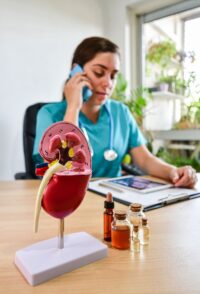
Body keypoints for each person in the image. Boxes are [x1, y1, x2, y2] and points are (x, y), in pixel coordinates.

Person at [33, 36, 197, 187]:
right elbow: (63, 170)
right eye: (99, 73)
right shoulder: (48, 114)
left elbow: (145, 159)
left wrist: (173, 172)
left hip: (112, 200)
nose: (108, 83)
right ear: (76, 71)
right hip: (68, 199)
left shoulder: (121, 112)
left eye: (113, 76)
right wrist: (73, 106)